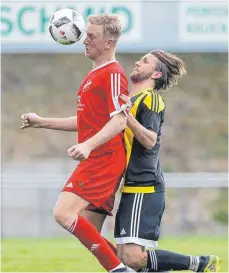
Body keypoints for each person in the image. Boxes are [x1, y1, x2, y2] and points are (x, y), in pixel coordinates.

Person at [20, 14, 132, 273]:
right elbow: (85, 121)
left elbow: (119, 122)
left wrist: (88, 146)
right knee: (89, 231)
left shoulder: (113, 73)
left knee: (62, 213)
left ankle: (120, 270)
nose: (85, 40)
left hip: (103, 159)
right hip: (97, 157)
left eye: (92, 36)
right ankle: (132, 267)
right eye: (85, 34)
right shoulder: (96, 74)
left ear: (109, 42)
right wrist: (41, 122)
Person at [114, 50, 222, 272]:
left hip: (143, 186)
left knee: (133, 258)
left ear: (155, 74)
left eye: (145, 61)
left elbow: (150, 140)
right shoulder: (130, 100)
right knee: (124, 256)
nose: (138, 62)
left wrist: (129, 119)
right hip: (132, 186)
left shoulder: (151, 99)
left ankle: (200, 264)